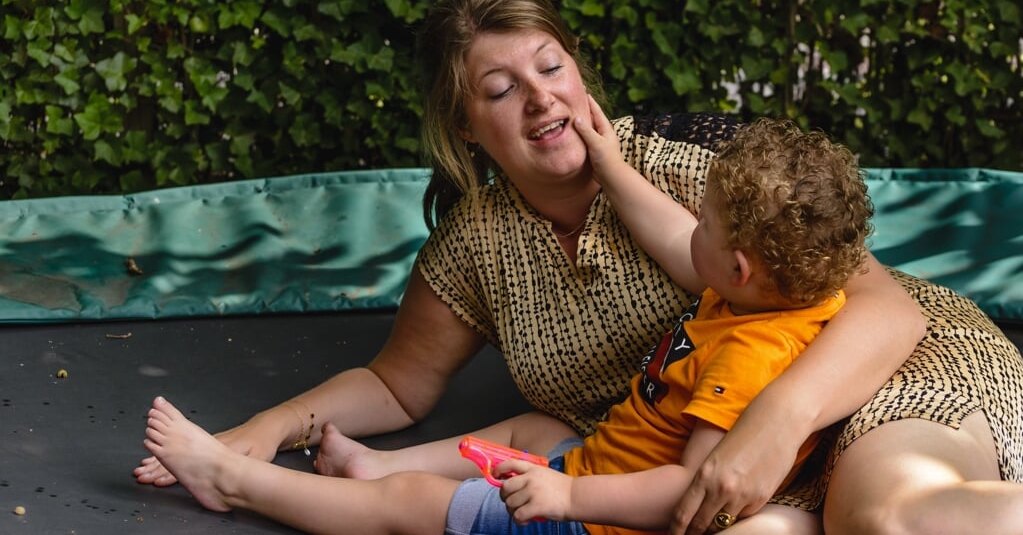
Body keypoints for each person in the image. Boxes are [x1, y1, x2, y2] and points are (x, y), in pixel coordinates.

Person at [135, 0, 1023, 534]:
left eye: (550, 68)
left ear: (579, 73)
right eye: (499, 88)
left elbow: (883, 305)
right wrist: (259, 435)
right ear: (463, 126)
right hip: (689, 484)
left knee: (885, 517)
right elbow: (397, 384)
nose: (539, 99)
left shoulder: (687, 160)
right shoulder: (476, 243)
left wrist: (775, 421)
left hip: (876, 374)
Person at [140, 116, 874, 534]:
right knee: (528, 429)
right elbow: (678, 237)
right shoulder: (778, 293)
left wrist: (569, 497)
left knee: (411, 510)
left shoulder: (750, 353)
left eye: (705, 224)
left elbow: (692, 488)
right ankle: (374, 463)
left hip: (595, 522)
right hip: (595, 463)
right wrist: (613, 168)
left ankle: (232, 484)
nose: (692, 230)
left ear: (738, 267)